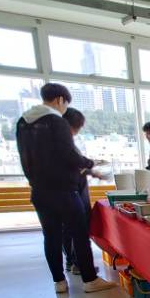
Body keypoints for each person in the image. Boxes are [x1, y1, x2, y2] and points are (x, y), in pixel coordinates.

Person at [17, 82, 114, 294]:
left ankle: (59, 282)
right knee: (80, 234)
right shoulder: (56, 121)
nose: (64, 109)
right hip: (64, 191)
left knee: (51, 237)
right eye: (65, 104)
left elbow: (24, 158)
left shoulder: (23, 123)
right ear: (60, 100)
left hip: (39, 191)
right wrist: (90, 163)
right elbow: (69, 155)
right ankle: (89, 279)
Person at [61, 108, 94, 276]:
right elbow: (76, 165)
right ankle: (77, 264)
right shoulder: (63, 143)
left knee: (69, 229)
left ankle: (72, 261)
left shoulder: (64, 142)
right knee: (77, 229)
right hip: (74, 192)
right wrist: (90, 165)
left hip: (73, 191)